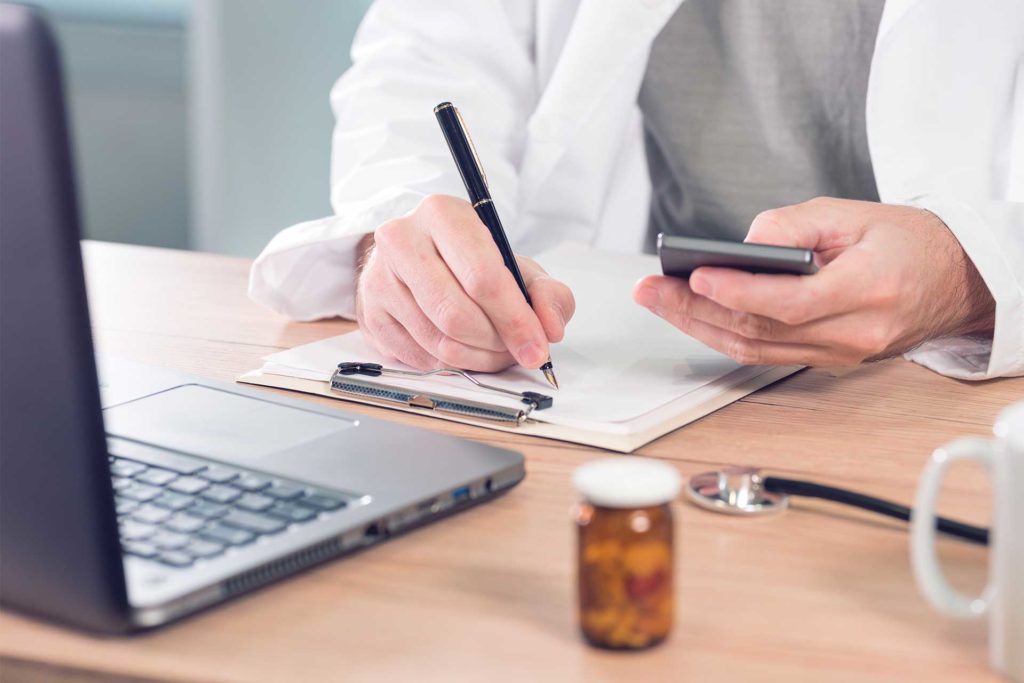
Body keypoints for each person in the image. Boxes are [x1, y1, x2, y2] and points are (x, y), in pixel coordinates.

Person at [250, 0, 1023, 380]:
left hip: (958, 413)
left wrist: (972, 274)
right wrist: (413, 238)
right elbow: (427, 56)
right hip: (659, 378)